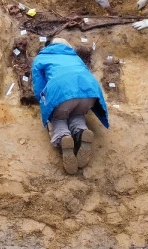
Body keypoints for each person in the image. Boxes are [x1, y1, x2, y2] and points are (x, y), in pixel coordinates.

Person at [31, 37, 109, 175]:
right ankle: (81, 132)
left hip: (62, 92)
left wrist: (45, 103)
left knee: (58, 117)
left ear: (49, 46)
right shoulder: (75, 57)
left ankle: (63, 138)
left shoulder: (41, 58)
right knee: (77, 113)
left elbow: (39, 88)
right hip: (89, 92)